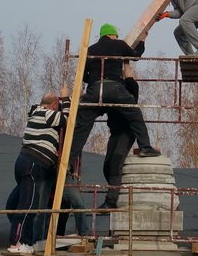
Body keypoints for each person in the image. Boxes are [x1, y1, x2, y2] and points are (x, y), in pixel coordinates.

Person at [68, 23, 160, 164]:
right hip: (115, 88)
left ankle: (68, 162)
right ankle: (145, 147)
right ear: (112, 35)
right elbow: (136, 56)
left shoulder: (89, 50)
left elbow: (82, 75)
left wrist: (94, 79)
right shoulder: (119, 44)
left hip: (95, 90)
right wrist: (142, 40)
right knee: (135, 116)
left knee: (82, 126)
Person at [5, 91, 69, 256]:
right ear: (54, 106)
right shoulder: (46, 114)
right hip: (33, 165)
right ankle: (16, 242)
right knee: (27, 206)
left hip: (24, 163)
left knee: (17, 203)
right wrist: (66, 99)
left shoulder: (35, 113)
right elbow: (66, 119)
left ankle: (25, 241)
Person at [100, 62, 140, 209]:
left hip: (127, 131)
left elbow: (129, 75)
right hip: (115, 132)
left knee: (116, 161)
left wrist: (125, 60)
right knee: (107, 166)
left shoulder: (130, 87)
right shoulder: (109, 91)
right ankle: (117, 190)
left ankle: (111, 200)